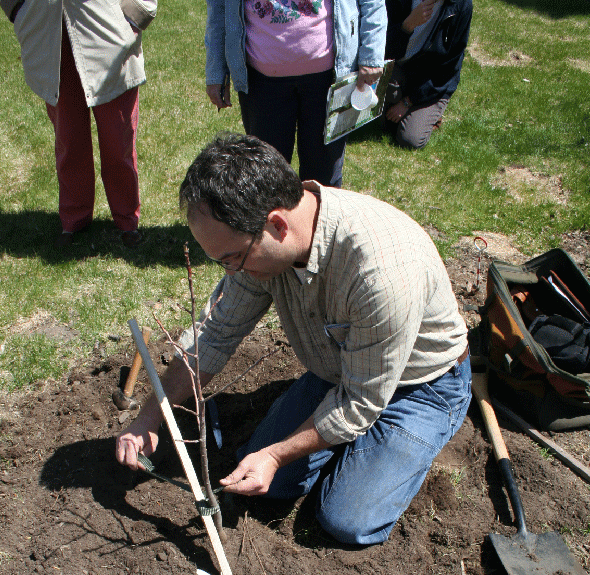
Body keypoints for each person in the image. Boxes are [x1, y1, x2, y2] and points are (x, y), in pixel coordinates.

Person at [116, 134, 472, 547]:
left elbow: (361, 402)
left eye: (231, 259)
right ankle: (336, 442)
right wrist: (150, 417)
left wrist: (275, 454)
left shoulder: (381, 273)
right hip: (337, 372)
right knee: (270, 485)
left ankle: (418, 436)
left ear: (277, 225)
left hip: (418, 388)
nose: (229, 273)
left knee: (346, 520)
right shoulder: (261, 251)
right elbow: (213, 336)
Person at [0, 0, 157, 248]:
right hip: (47, 32)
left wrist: (134, 15)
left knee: (118, 141)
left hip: (107, 34)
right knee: (69, 139)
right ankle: (73, 218)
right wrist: (18, 9)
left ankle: (127, 219)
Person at [204, 0, 386, 187]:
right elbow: (219, 8)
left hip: (328, 79)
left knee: (324, 177)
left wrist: (371, 55)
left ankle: (320, 216)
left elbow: (372, 2)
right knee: (268, 177)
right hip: (262, 83)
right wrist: (216, 71)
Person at [384, 0, 472, 149]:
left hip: (432, 79)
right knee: (384, 123)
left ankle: (431, 108)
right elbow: (383, 46)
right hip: (399, 65)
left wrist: (408, 102)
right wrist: (408, 25)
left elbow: (448, 67)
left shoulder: (461, 5)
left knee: (409, 139)